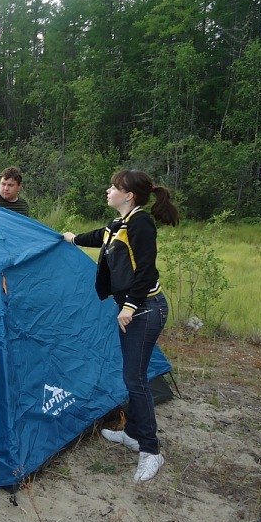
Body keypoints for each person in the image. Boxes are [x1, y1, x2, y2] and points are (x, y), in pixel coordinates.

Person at [62, 169, 179, 483]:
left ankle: (151, 451)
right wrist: (72, 238)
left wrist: (130, 306)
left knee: (136, 379)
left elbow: (146, 268)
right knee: (131, 375)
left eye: (114, 187)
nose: (108, 190)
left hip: (145, 310)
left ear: (129, 195)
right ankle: (132, 433)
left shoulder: (141, 223)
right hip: (134, 311)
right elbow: (99, 236)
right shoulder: (121, 223)